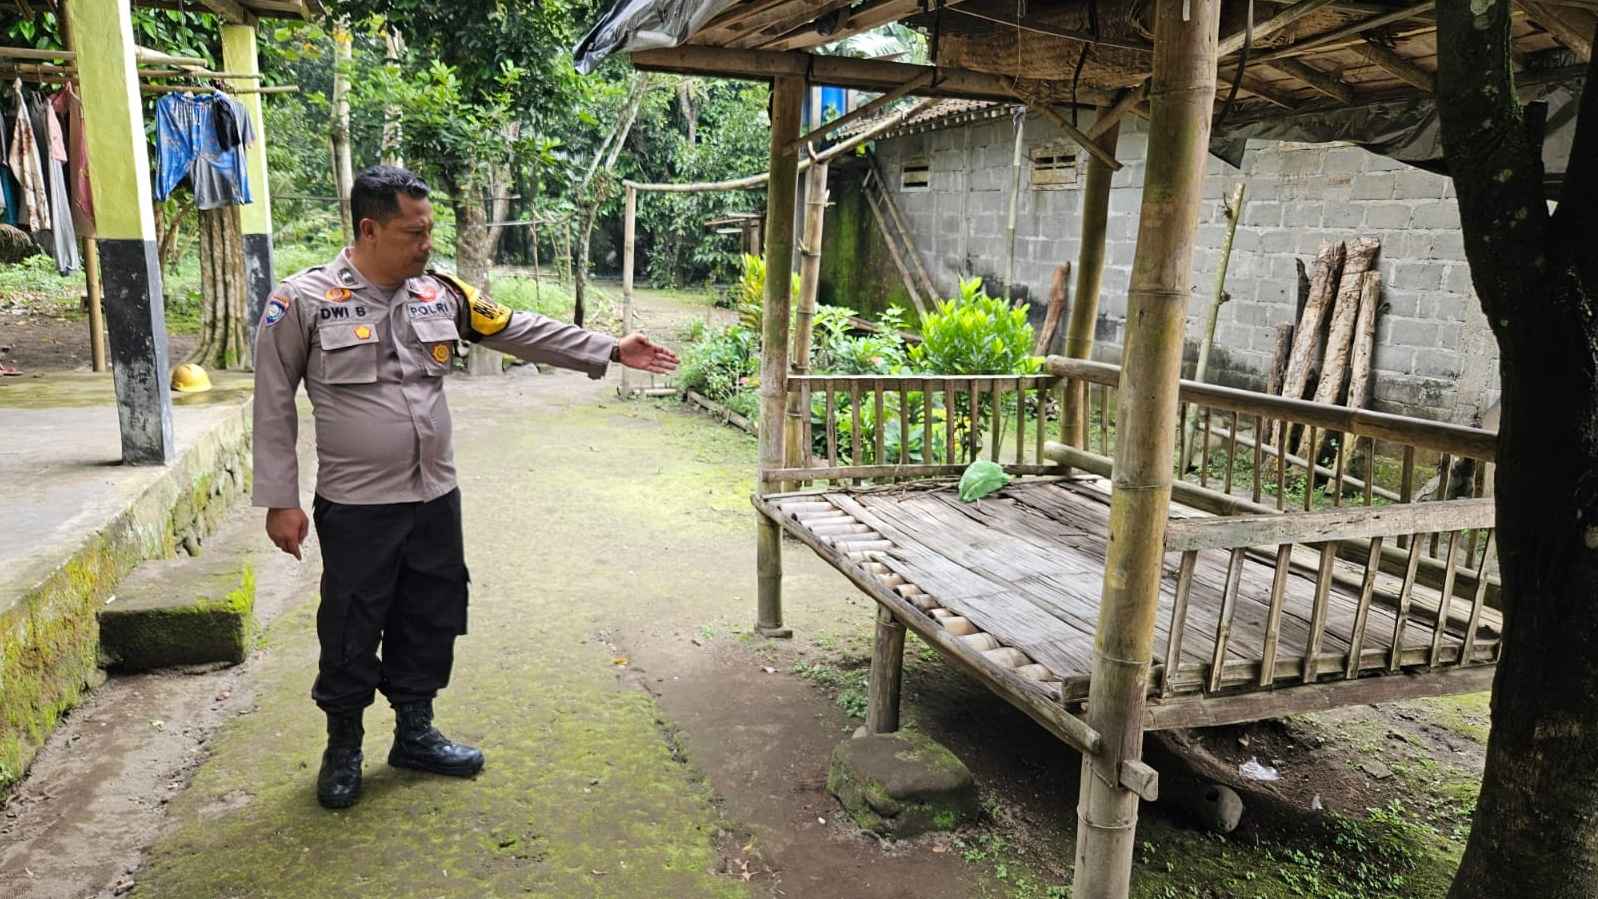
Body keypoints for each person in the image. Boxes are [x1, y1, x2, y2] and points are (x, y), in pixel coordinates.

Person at [252, 165, 678, 809]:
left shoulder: (440, 293)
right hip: (358, 503)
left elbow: (517, 327)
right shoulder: (304, 300)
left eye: (430, 231)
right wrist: (280, 499)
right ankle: (343, 747)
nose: (427, 244)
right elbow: (272, 402)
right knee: (350, 623)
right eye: (413, 232)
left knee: (430, 612)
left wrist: (610, 349)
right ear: (369, 229)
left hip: (433, 496)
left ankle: (415, 735)